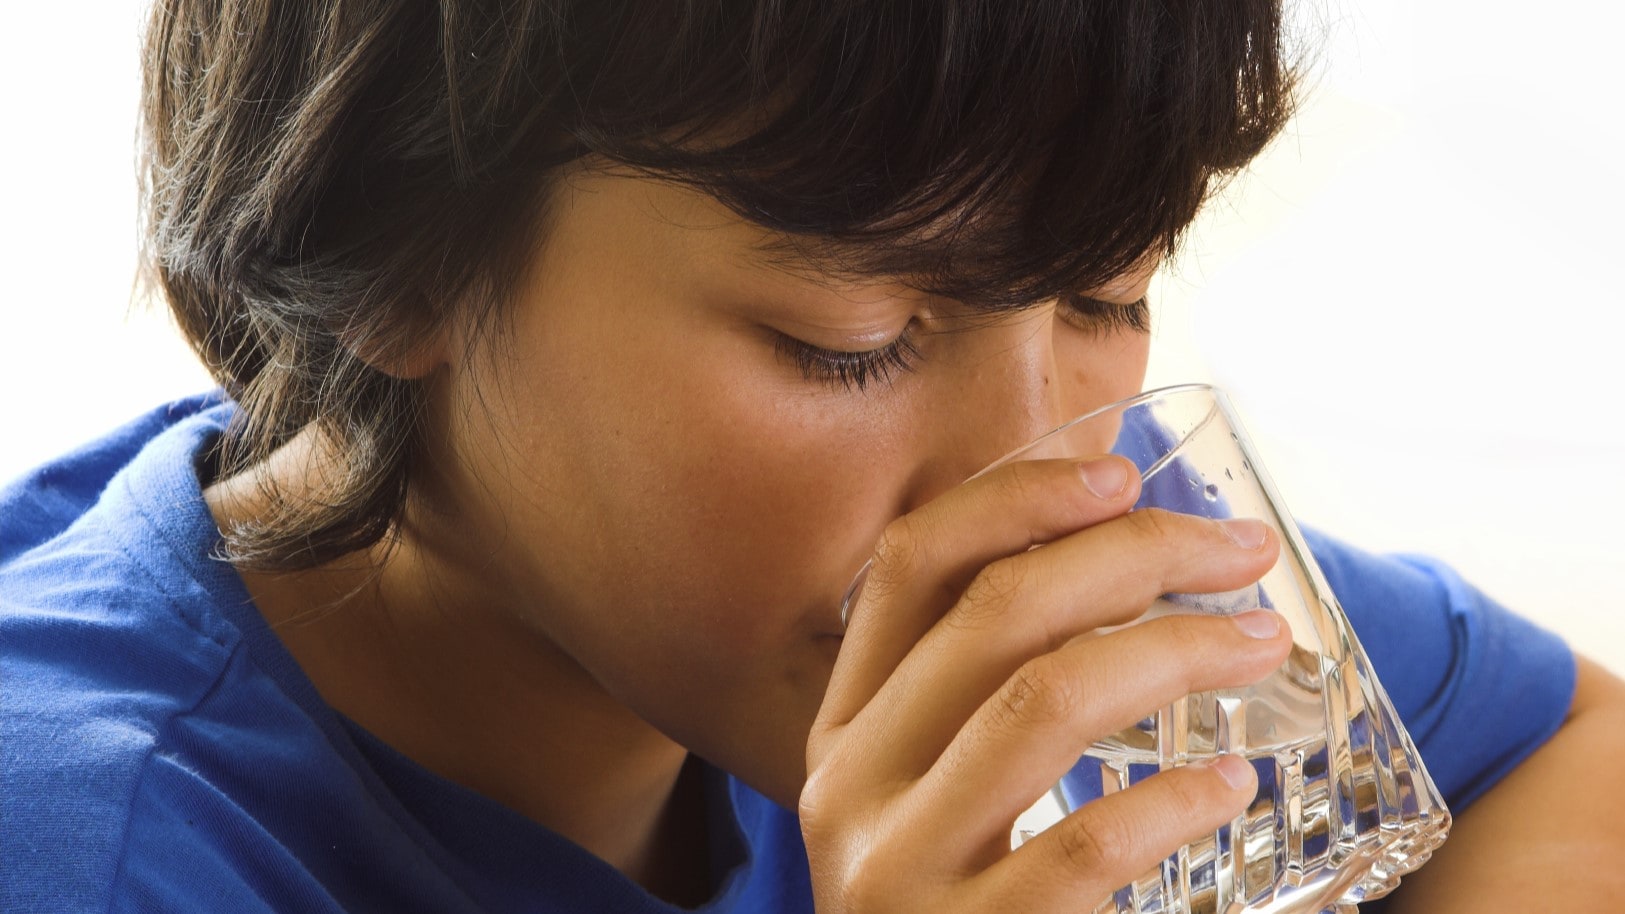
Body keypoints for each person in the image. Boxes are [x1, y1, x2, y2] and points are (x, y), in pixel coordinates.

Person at [3, 1, 1620, 911]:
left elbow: (1573, 746)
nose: (1031, 477)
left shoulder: (1055, 574)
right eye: (849, 342)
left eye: (1106, 289)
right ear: (395, 250)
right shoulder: (99, 851)